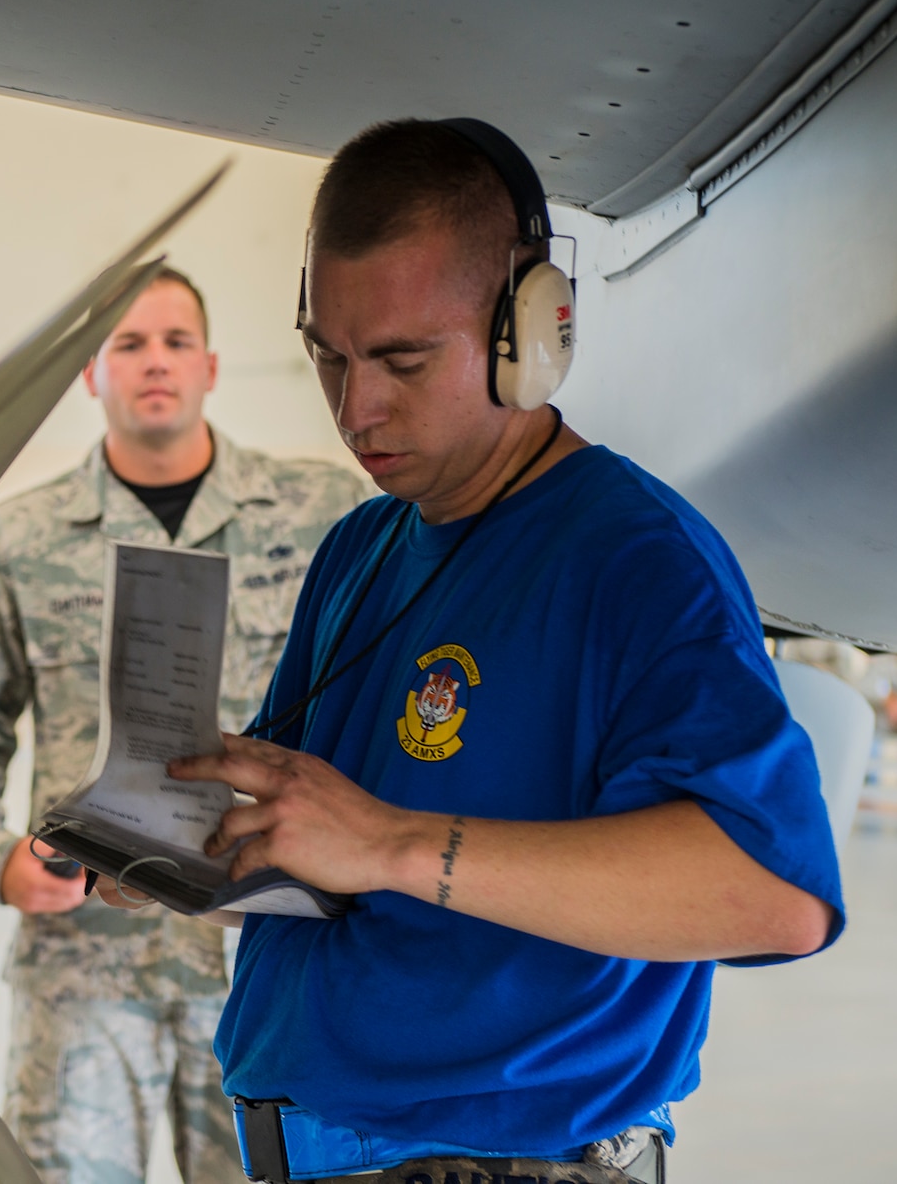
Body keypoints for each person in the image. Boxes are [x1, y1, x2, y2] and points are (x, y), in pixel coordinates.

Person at [100, 121, 845, 1184]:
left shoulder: (633, 558)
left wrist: (394, 845)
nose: (356, 409)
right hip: (301, 1146)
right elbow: (327, 849)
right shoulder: (365, 545)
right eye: (328, 356)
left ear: (528, 335)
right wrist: (179, 849)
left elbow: (771, 894)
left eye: (402, 361)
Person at [0, 267, 370, 1184]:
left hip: (267, 963)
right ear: (93, 374)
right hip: (82, 973)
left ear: (212, 367)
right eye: (129, 344)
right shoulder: (21, 539)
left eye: (176, 342)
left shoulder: (323, 518)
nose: (155, 363)